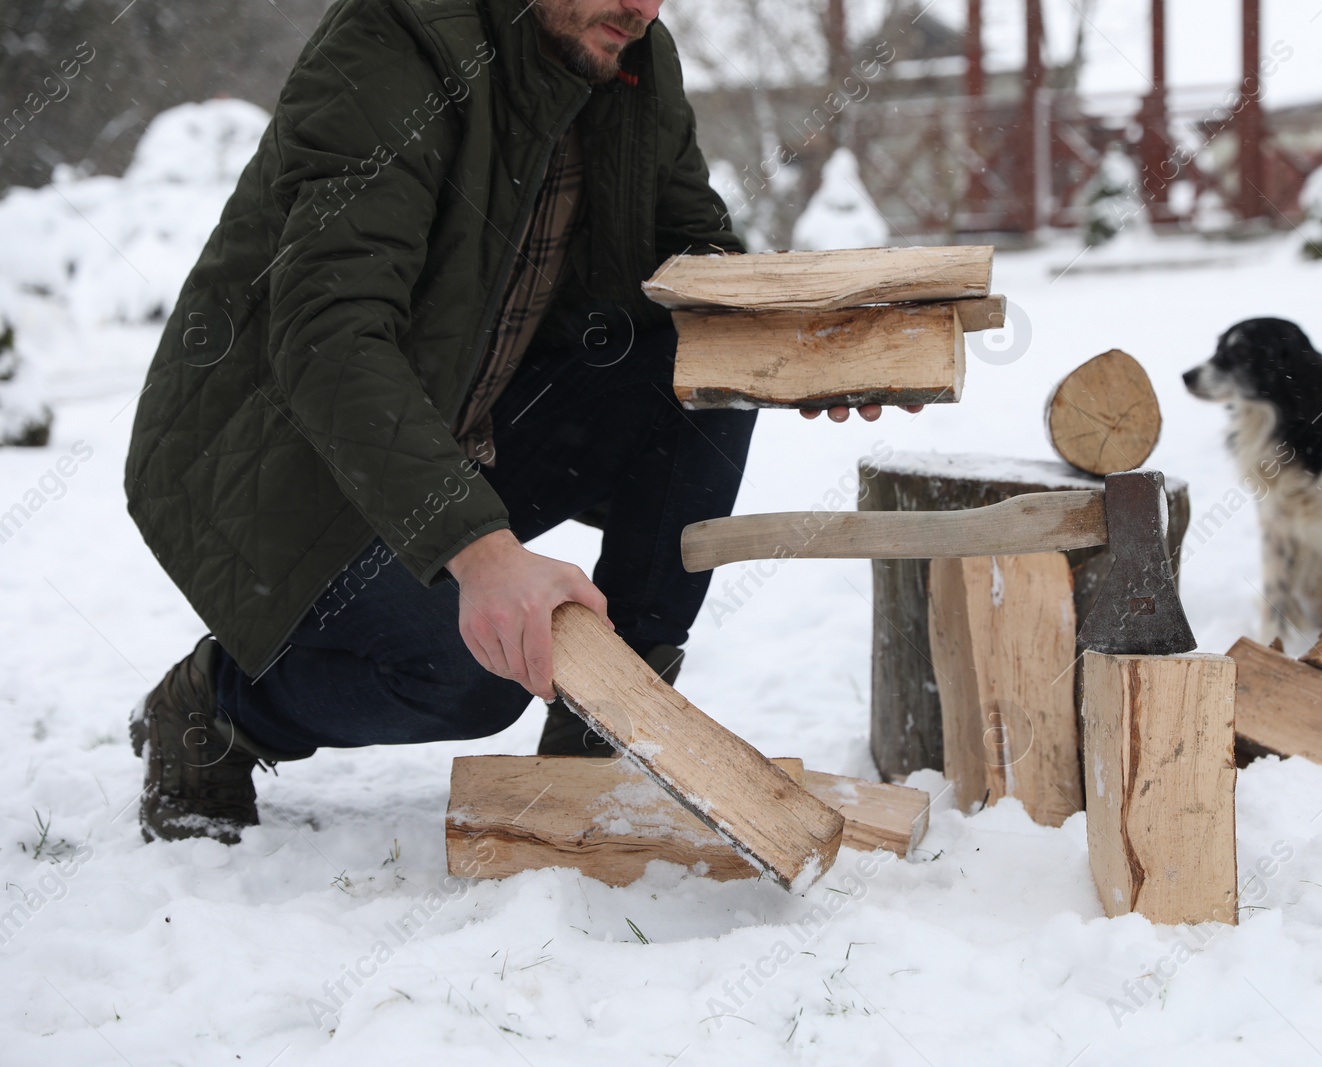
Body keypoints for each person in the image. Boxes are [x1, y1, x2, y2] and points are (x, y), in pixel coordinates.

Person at [124, 0, 909, 844]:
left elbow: (692, 260)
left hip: (460, 426)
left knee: (701, 360)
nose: (644, 9)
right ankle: (216, 705)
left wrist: (799, 352)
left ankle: (604, 728)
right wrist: (484, 555)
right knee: (477, 672)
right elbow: (330, 336)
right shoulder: (394, 44)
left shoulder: (630, 56)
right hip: (284, 461)